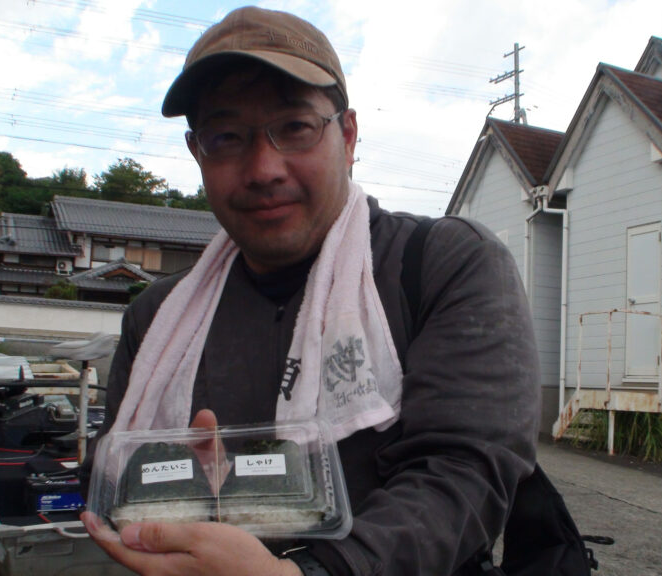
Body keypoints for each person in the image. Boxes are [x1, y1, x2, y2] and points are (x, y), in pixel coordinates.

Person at [81, 6, 540, 576]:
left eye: (295, 127)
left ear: (347, 137)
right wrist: (180, 488)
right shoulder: (155, 317)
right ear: (198, 153)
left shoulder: (445, 264)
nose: (263, 168)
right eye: (227, 136)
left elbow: (466, 470)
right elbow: (108, 476)